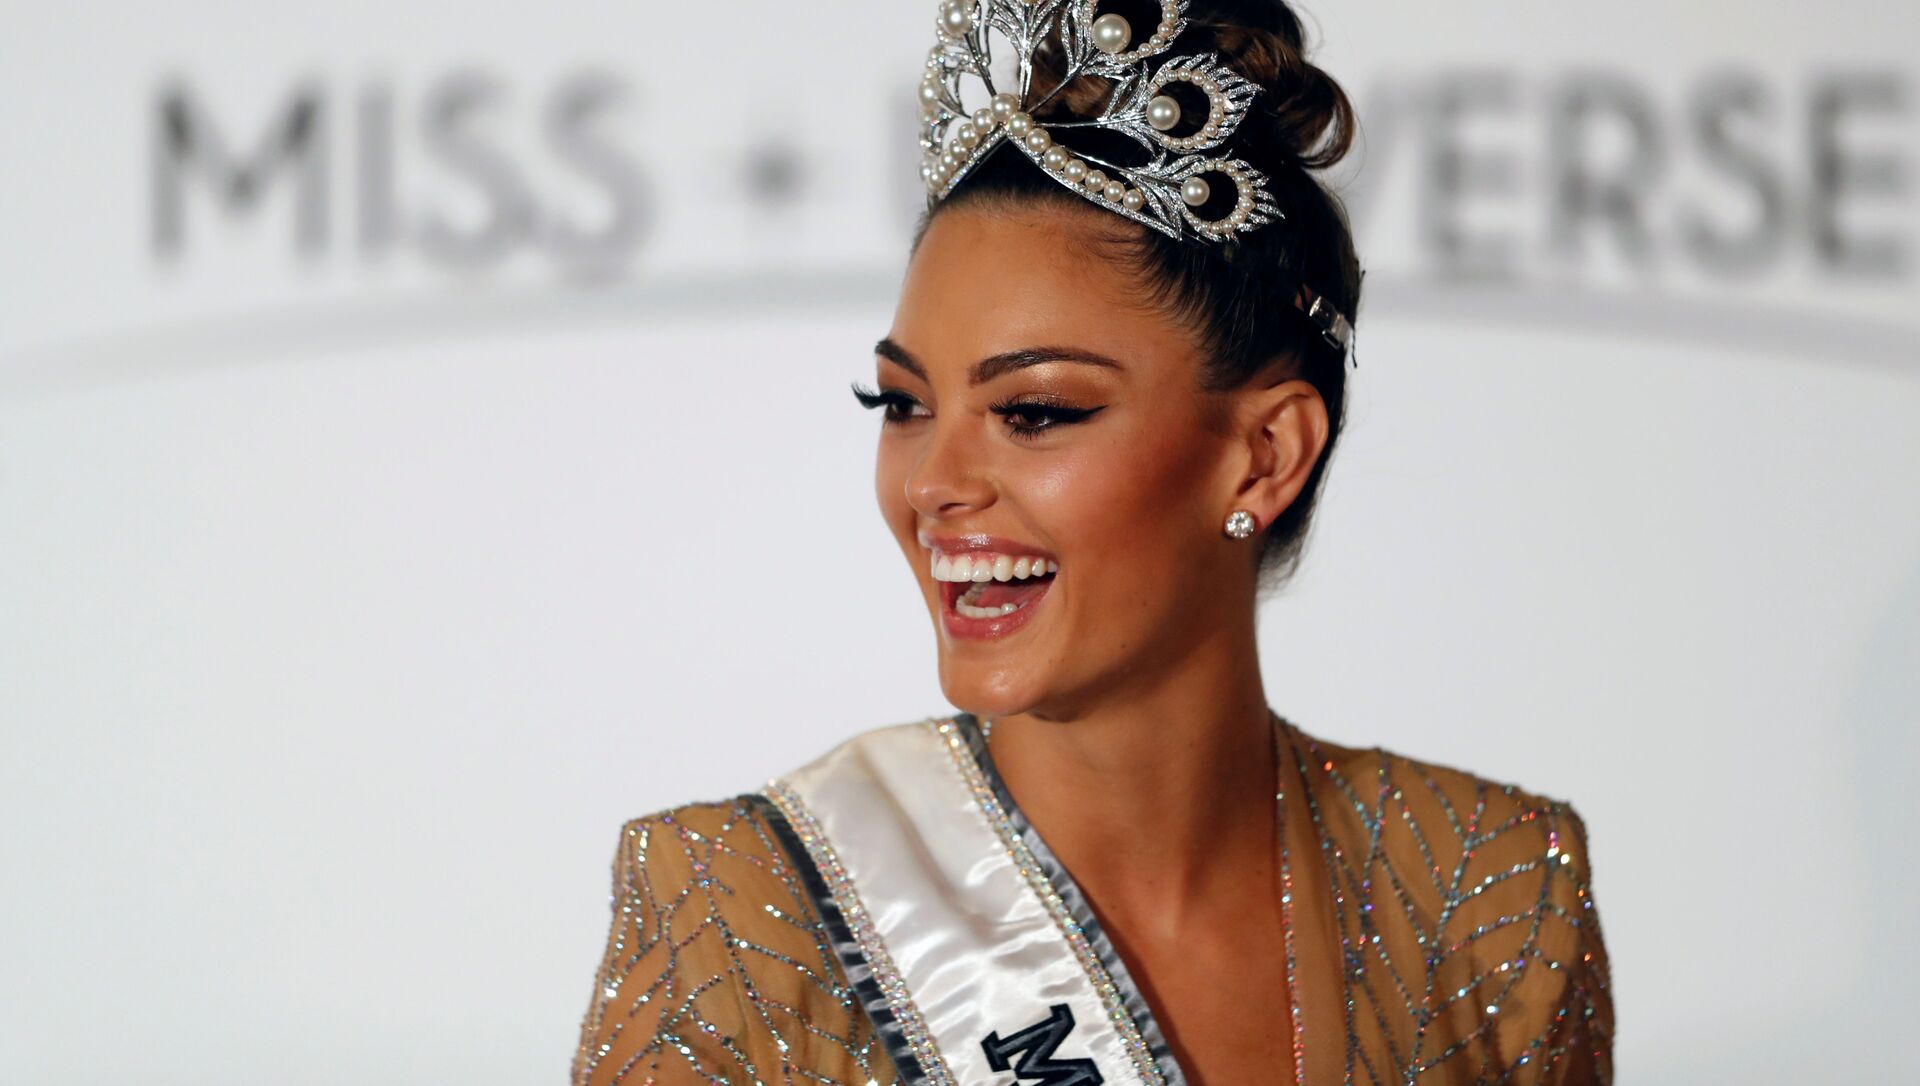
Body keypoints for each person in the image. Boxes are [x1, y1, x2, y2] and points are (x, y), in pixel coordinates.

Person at [570, 1, 1614, 1082]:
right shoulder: (739, 918)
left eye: (1035, 412)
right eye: (903, 404)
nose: (932, 484)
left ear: (1263, 456)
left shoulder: (1490, 894)